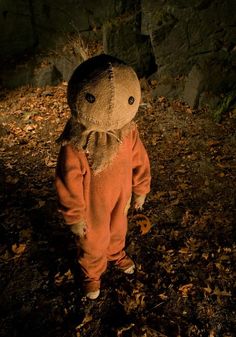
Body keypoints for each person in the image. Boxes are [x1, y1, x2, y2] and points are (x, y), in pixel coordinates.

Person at [55, 54, 151, 299]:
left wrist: (140, 188)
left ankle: (116, 252)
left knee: (118, 228)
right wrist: (74, 215)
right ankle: (92, 271)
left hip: (121, 198)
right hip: (92, 205)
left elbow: (140, 160)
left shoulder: (128, 132)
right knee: (93, 241)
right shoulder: (76, 141)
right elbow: (68, 180)